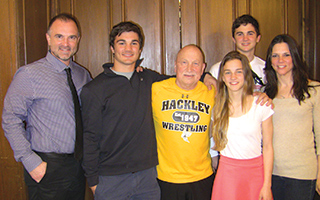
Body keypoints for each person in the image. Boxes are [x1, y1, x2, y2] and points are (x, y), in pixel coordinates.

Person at [2, 13, 91, 200]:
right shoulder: (29, 74)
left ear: (78, 40)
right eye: (59, 36)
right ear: (48, 38)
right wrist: (30, 161)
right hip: (46, 167)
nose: (66, 43)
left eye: (71, 37)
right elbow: (11, 118)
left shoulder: (82, 75)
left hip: (77, 167)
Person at [152, 44, 215, 200]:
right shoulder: (156, 89)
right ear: (175, 66)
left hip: (202, 177)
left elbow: (239, 96)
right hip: (166, 178)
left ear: (203, 68)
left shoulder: (213, 91)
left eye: (196, 63)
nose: (190, 68)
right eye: (184, 62)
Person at [211, 51, 274, 200]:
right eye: (228, 72)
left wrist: (267, 185)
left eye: (238, 72)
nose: (233, 77)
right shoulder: (217, 107)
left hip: (255, 174)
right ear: (222, 78)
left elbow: (268, 147)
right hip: (227, 175)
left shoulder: (261, 105)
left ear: (246, 74)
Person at [264, 34, 320, 200]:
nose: (280, 60)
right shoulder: (265, 94)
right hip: (270, 173)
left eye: (286, 55)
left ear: (294, 58)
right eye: (275, 55)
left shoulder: (313, 90)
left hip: (301, 175)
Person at [209, 14, 265, 92]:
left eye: (250, 34)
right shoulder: (217, 70)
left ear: (258, 38)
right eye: (240, 34)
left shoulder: (266, 68)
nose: (245, 38)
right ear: (234, 39)